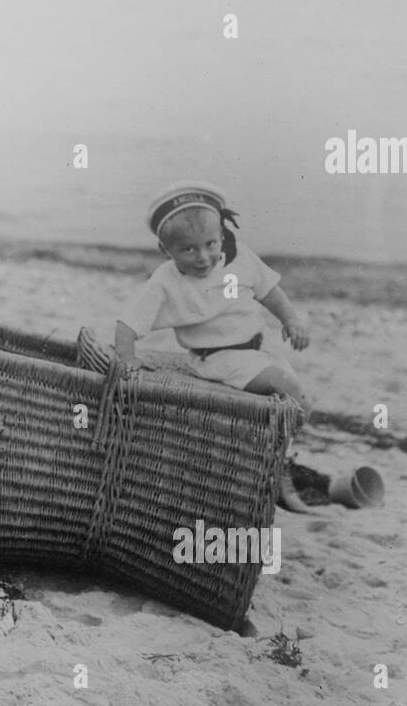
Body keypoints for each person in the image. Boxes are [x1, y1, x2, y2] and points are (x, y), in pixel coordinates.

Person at [113, 181, 313, 513]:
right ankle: (277, 471)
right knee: (293, 397)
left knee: (301, 406)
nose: (203, 257)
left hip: (259, 350)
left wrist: (291, 320)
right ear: (166, 251)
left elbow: (270, 292)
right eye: (188, 249)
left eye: (210, 244)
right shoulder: (166, 280)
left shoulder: (240, 258)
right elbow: (127, 323)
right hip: (218, 358)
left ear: (222, 234)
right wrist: (127, 358)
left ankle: (274, 465)